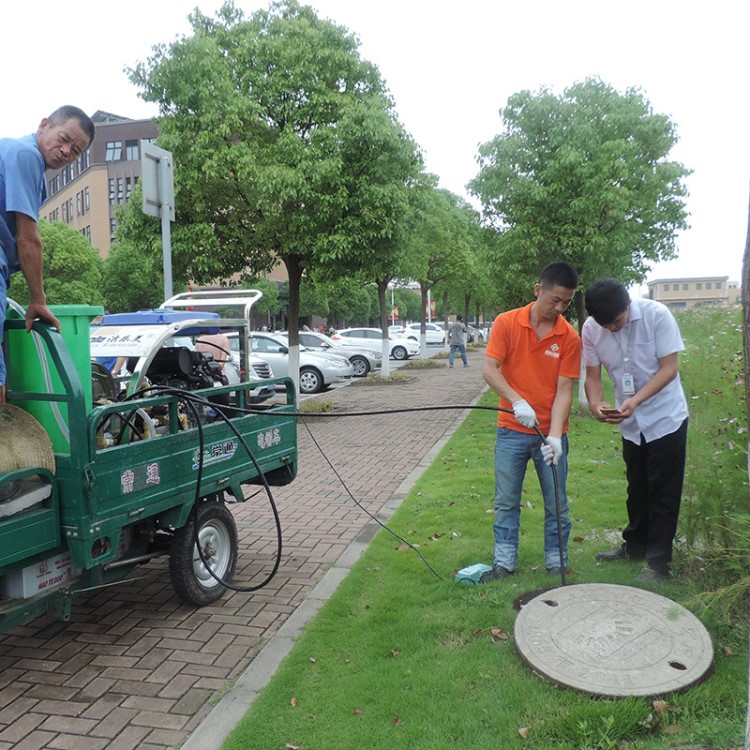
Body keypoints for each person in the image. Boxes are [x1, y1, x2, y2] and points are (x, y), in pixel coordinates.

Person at [582, 279, 689, 583]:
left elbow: (670, 368)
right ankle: (635, 546)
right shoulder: (591, 329)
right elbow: (593, 376)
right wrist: (595, 402)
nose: (612, 328)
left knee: (663, 491)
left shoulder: (657, 316)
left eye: (616, 321)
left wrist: (635, 401)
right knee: (637, 487)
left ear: (628, 305)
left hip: (665, 417)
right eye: (606, 325)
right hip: (630, 424)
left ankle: (659, 564)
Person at [480, 262, 581, 582]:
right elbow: (490, 370)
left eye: (566, 302)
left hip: (549, 435)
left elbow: (565, 390)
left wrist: (554, 438)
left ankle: (556, 562)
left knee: (556, 504)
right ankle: (504, 564)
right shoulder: (507, 323)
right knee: (506, 500)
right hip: (511, 430)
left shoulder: (569, 337)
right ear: (538, 290)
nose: (560, 308)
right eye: (555, 300)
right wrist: (517, 401)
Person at [0, 106, 95, 403]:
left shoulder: (12, 151)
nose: (66, 151)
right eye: (63, 139)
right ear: (44, 126)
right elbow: (28, 238)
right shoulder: (26, 154)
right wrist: (38, 299)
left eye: (75, 151)